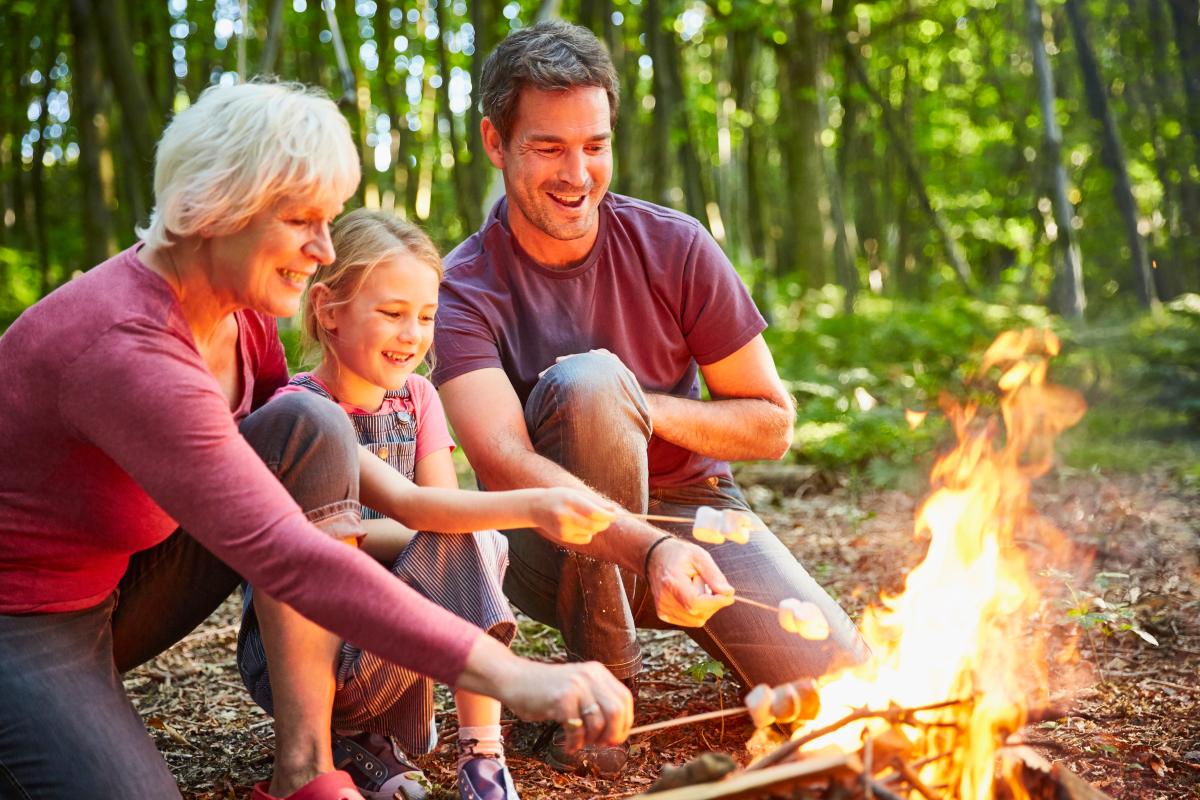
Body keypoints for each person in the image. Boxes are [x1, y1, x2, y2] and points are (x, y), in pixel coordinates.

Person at [0, 81, 632, 800]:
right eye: (301, 220)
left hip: (122, 581)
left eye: (328, 220)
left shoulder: (241, 321)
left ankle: (306, 767)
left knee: (310, 426)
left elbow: (321, 479)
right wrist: (518, 677)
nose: (323, 249)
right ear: (212, 209)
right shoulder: (127, 348)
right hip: (23, 618)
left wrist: (555, 518)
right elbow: (288, 553)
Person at [432, 22, 869, 775]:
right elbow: (500, 463)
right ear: (495, 142)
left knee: (849, 691)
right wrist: (642, 530)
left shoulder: (675, 244)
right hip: (549, 541)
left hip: (696, 516)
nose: (577, 173)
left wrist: (642, 410)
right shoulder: (461, 287)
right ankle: (604, 693)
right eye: (548, 147)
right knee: (590, 382)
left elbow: (771, 424)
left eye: (595, 145)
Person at [238, 209, 583, 800]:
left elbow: (440, 510)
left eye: (425, 317)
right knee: (467, 537)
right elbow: (365, 533)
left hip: (394, 638)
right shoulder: (300, 410)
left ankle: (482, 755)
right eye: (392, 314)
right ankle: (337, 738)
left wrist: (452, 535)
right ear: (328, 311)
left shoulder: (419, 398)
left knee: (468, 537)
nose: (412, 335)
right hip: (309, 655)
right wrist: (527, 508)